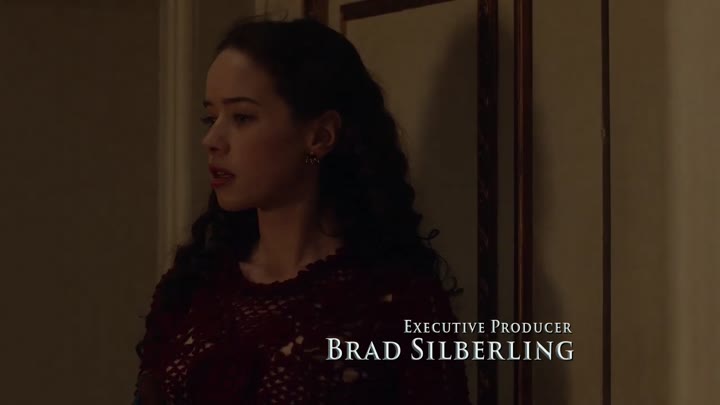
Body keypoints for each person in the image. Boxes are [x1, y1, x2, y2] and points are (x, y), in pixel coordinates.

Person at [133, 17, 471, 405]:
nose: (211, 139)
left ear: (320, 136)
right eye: (211, 118)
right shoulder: (192, 287)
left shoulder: (397, 300)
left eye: (241, 117)